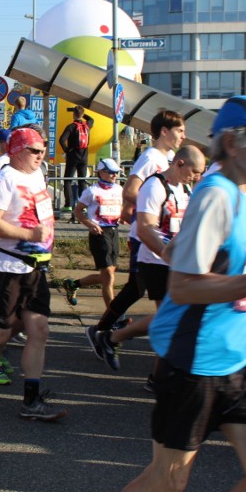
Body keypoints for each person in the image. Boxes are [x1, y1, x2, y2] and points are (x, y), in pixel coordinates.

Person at [113, 96, 246, 492]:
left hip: (237, 363)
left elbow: (239, 281)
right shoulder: (216, 196)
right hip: (195, 365)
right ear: (233, 142)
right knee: (166, 484)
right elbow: (185, 287)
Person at [0, 126, 68, 421]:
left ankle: (31, 400)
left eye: (42, 150)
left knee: (39, 330)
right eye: (35, 150)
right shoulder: (5, 178)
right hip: (7, 267)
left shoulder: (36, 174)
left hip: (34, 267)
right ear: (16, 151)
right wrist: (29, 232)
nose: (41, 155)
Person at [89, 146, 206, 372]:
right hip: (155, 261)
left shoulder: (185, 189)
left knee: (172, 318)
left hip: (177, 262)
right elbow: (144, 229)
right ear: (180, 163)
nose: (197, 176)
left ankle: (112, 339)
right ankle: (160, 374)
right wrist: (169, 255)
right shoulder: (155, 186)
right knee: (171, 318)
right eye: (195, 171)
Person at [92, 110, 186, 335]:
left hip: (157, 233)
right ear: (164, 131)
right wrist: (158, 207)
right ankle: (104, 333)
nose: (183, 136)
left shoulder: (166, 159)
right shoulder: (151, 157)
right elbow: (130, 191)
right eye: (180, 131)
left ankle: (102, 332)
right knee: (140, 289)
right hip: (145, 235)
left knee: (138, 288)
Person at [62, 158, 123, 308]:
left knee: (107, 276)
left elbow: (122, 208)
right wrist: (90, 224)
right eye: (111, 173)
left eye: (116, 173)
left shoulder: (119, 189)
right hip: (99, 233)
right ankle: (112, 317)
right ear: (101, 173)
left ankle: (73, 285)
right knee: (108, 275)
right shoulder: (92, 191)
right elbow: (78, 211)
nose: (114, 176)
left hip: (114, 232)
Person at [58, 106, 94, 210]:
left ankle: (68, 204)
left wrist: (67, 150)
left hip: (73, 156)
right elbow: (91, 119)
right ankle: (83, 206)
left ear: (74, 114)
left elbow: (61, 140)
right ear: (82, 115)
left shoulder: (71, 127)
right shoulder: (87, 125)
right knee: (82, 180)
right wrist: (83, 114)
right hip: (84, 157)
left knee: (68, 180)